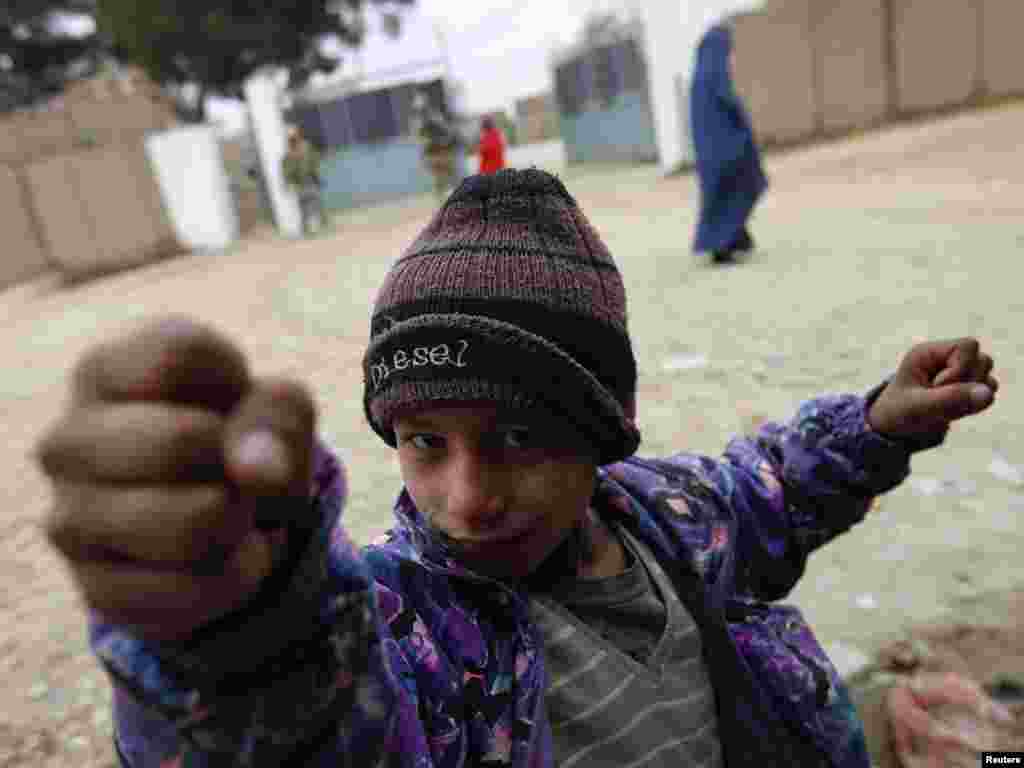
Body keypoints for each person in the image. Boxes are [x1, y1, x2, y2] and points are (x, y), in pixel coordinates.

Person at [36, 169, 1003, 768]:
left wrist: (880, 423)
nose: (466, 499)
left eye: (516, 439)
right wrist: (225, 643)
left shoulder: (670, 517)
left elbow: (773, 486)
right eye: (426, 443)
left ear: (601, 436)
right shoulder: (398, 625)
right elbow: (300, 722)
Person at [690, 22, 767, 265]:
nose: (731, 58)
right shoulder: (715, 77)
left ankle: (733, 237)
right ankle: (723, 244)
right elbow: (731, 108)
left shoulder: (701, 78)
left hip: (714, 153)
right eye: (728, 51)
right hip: (725, 152)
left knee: (731, 191)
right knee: (742, 184)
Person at [416, 92, 460, 201]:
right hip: (440, 153)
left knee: (446, 179)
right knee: (444, 180)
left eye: (421, 110)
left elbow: (446, 133)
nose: (420, 112)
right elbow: (424, 141)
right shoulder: (431, 118)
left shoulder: (431, 119)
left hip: (442, 152)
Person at [282, 126, 324, 236]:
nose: (292, 140)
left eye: (293, 137)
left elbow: (314, 163)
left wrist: (316, 177)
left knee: (313, 205)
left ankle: (315, 227)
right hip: (301, 184)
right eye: (291, 138)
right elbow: (287, 171)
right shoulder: (290, 154)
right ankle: (308, 229)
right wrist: (288, 183)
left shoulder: (303, 148)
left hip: (308, 181)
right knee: (307, 207)